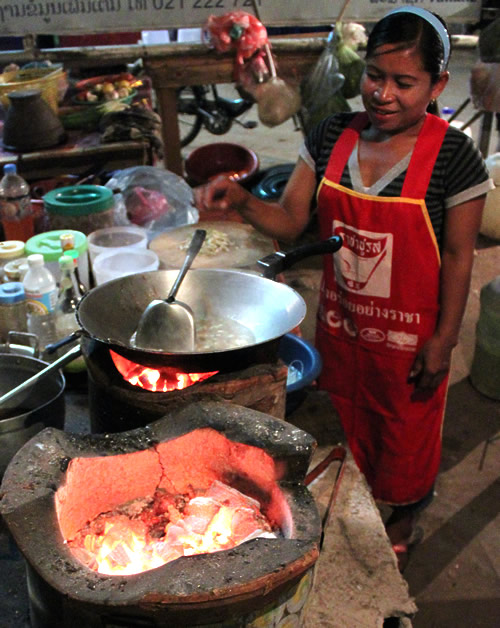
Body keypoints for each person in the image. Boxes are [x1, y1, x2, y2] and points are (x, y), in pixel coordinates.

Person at [195, 7, 494, 571]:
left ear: (436, 85)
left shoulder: (454, 156)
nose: (383, 94)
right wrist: (241, 200)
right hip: (341, 325)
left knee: (403, 440)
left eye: (404, 83)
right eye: (374, 76)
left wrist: (445, 340)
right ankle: (352, 512)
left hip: (412, 341)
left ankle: (402, 521)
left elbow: (458, 255)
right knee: (345, 425)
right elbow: (289, 221)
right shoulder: (333, 135)